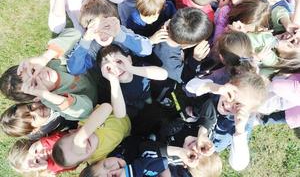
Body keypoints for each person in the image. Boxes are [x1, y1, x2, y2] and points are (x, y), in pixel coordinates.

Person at [186, 72, 268, 171]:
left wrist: (239, 131)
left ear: (249, 112)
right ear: (229, 84)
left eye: (238, 105)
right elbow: (189, 87)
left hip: (210, 143)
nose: (228, 104)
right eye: (230, 95)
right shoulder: (220, 88)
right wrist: (213, 87)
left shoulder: (244, 125)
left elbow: (238, 166)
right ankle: (195, 113)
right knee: (205, 105)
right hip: (205, 113)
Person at [66, 0, 153, 75]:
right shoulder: (90, 46)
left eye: (106, 26)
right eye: (96, 30)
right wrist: (85, 41)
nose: (103, 33)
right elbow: (74, 70)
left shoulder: (121, 32)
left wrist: (121, 36)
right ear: (88, 31)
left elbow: (147, 50)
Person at [79, 136, 222, 177]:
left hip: (158, 146)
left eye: (105, 165)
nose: (113, 169)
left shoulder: (126, 160)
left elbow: (145, 149)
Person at [97, 44, 168, 118]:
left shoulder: (140, 68)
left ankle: (151, 101)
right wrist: (114, 81)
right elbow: (120, 115)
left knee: (149, 101)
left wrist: (131, 69)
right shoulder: (111, 88)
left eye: (119, 61)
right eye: (109, 68)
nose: (117, 69)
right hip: (132, 104)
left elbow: (164, 74)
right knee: (139, 112)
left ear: (129, 60)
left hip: (146, 92)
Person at [52, 103, 131, 167]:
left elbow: (107, 107)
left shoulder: (85, 122)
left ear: (73, 131)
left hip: (124, 106)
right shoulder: (97, 159)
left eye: (74, 142)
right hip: (131, 133)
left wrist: (83, 135)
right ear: (84, 160)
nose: (82, 146)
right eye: (78, 153)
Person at [8, 132, 74, 176]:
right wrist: (49, 165)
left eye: (36, 152)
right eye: (38, 162)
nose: (41, 157)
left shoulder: (46, 143)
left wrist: (43, 143)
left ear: (33, 146)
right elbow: (73, 164)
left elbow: (67, 138)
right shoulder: (51, 167)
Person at [0, 102, 77, 140]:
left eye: (30, 107)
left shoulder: (45, 95)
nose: (37, 111)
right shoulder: (42, 134)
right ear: (35, 129)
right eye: (33, 117)